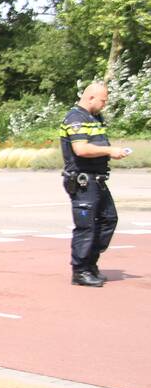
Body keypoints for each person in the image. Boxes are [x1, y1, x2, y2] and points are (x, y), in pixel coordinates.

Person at [60, 82, 129, 287]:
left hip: (97, 179)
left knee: (108, 219)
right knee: (86, 226)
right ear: (91, 98)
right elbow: (81, 149)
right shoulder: (75, 118)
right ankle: (80, 271)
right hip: (83, 180)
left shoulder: (95, 118)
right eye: (103, 101)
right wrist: (110, 151)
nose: (104, 105)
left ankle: (90, 263)